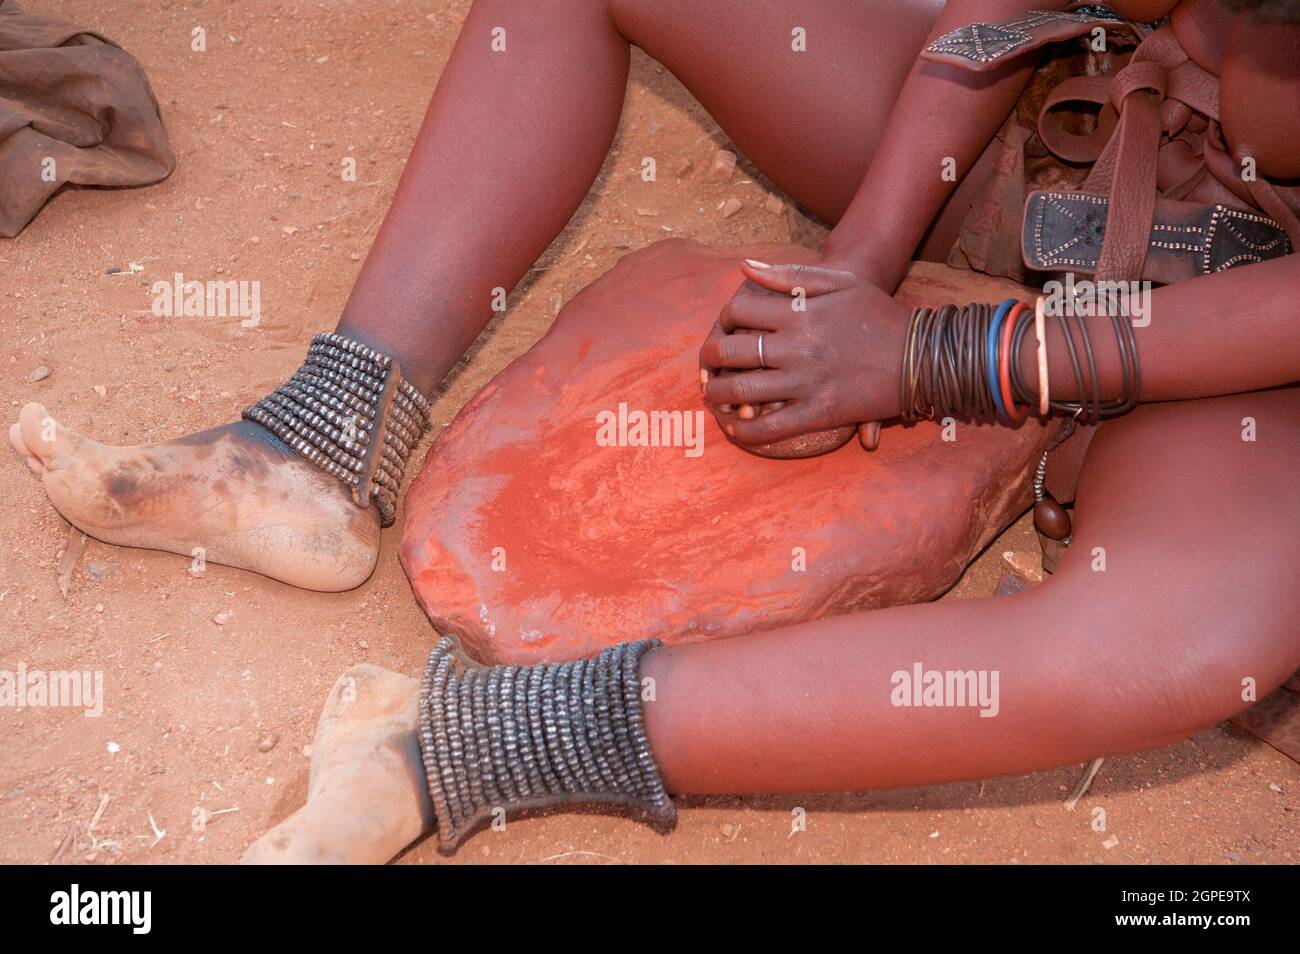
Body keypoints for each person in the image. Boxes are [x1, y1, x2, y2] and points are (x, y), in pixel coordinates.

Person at [11, 0, 1298, 863]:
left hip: (1231, 361)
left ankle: (456, 743)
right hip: (1048, 150)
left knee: (1192, 642)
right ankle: (315, 439)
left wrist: (939, 357)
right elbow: (996, 20)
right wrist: (851, 271)